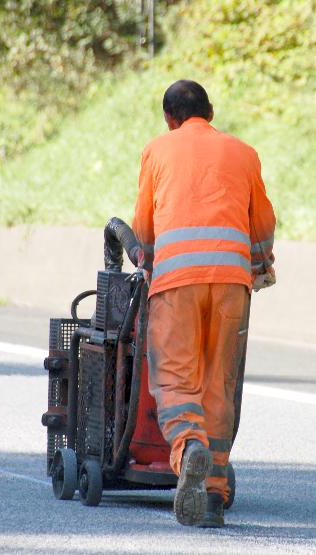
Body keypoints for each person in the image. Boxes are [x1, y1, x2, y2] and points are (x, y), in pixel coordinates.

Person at [132, 80, 276, 528]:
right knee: (219, 383)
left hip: (177, 284)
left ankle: (188, 447)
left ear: (169, 119)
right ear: (209, 113)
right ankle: (213, 495)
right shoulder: (244, 152)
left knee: (176, 379)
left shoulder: (158, 150)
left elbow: (144, 227)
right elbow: (263, 223)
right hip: (232, 284)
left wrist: (144, 258)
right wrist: (260, 262)